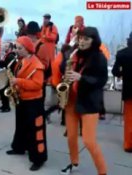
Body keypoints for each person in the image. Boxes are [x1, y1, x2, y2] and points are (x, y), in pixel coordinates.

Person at [53, 27, 108, 175]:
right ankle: (74, 163)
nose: (82, 42)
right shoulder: (73, 52)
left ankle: (102, 172)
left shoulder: (99, 57)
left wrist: (81, 78)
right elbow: (63, 68)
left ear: (93, 41)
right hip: (71, 101)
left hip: (89, 103)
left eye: (86, 39)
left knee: (89, 142)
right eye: (80, 38)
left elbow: (101, 81)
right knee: (71, 137)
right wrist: (66, 62)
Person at [6, 36, 47, 171]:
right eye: (17, 48)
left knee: (36, 131)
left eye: (20, 48)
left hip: (34, 102)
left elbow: (37, 84)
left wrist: (18, 82)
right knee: (21, 126)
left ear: (28, 48)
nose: (17, 51)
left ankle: (38, 158)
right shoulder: (21, 61)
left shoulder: (37, 65)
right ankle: (19, 147)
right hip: (22, 99)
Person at [112, 31, 132, 153]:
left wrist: (122, 74)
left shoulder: (122, 54)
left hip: (129, 90)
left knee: (129, 119)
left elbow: (115, 72)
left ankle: (129, 145)